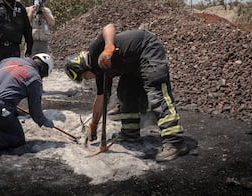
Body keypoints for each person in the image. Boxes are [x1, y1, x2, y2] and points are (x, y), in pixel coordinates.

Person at [64, 23, 189, 162]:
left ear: (83, 67)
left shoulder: (94, 53)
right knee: (126, 93)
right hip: (132, 65)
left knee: (156, 93)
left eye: (84, 76)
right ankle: (130, 133)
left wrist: (108, 48)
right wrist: (93, 126)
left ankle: (175, 142)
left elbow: (108, 27)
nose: (87, 79)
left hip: (147, 48)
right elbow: (101, 100)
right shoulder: (100, 74)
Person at [0, 53, 54, 158]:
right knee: (17, 139)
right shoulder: (34, 79)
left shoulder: (10, 60)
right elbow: (35, 111)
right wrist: (43, 121)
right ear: (44, 70)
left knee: (1, 129)